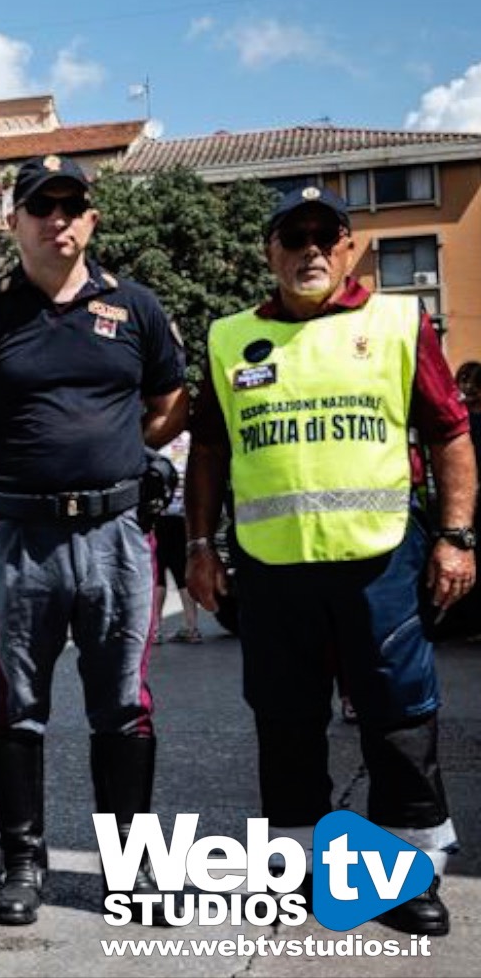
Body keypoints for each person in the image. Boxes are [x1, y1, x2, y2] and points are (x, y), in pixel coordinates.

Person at [185, 185, 473, 936]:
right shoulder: (228, 338)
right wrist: (199, 547)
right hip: (273, 570)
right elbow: (208, 451)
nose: (310, 250)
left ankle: (408, 875)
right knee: (285, 722)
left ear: (349, 248)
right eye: (294, 237)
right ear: (270, 251)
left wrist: (456, 535)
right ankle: (304, 870)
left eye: (326, 236)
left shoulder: (398, 321)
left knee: (398, 719)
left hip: (378, 565)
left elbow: (449, 431)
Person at [0, 155, 186, 927]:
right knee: (14, 705)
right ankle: (22, 864)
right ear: (15, 223)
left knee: (124, 708)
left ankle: (133, 875)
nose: (57, 219)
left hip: (116, 535)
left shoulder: (133, 308)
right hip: (18, 538)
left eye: (72, 206)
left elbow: (171, 405)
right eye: (42, 206)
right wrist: (15, 476)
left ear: (91, 220)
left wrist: (118, 457)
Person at [156, 431, 203, 643]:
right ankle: (192, 627)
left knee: (158, 573)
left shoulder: (159, 440)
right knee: (181, 571)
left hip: (160, 514)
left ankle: (154, 629)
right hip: (184, 517)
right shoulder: (188, 440)